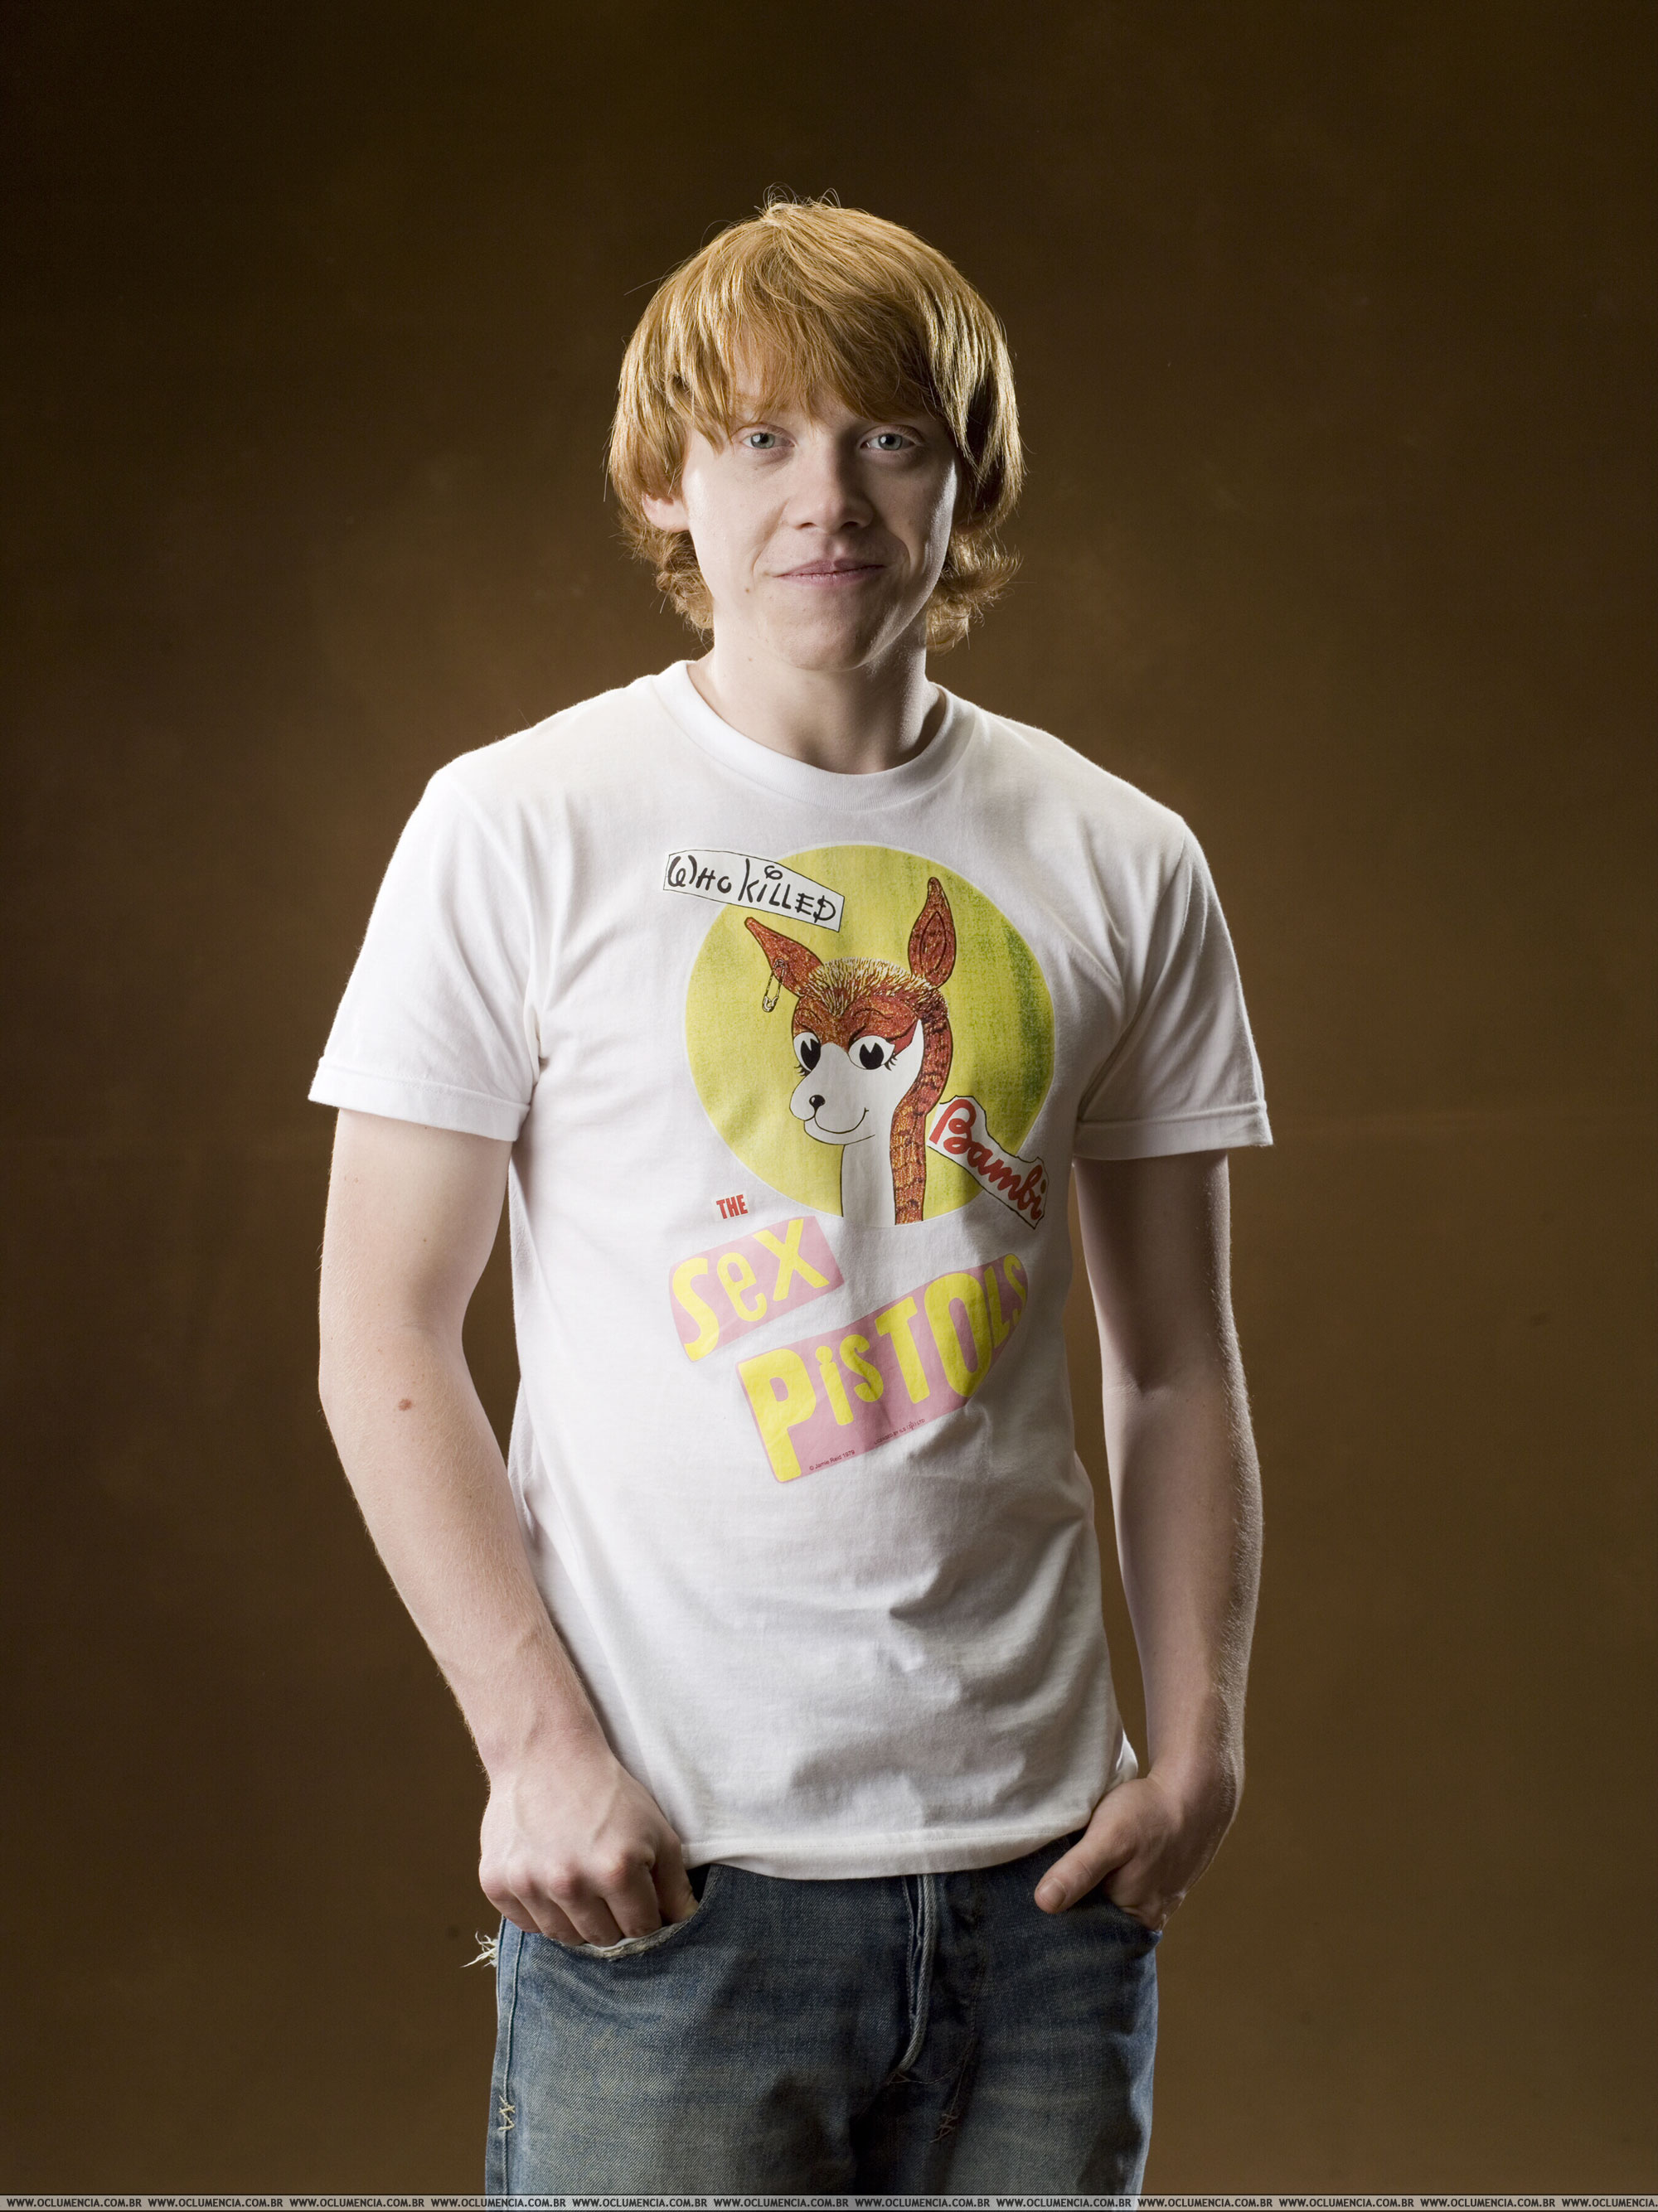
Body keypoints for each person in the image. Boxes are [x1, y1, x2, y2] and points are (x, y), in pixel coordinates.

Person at [313, 196, 1268, 2196]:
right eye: (759, 438)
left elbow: (1176, 1362)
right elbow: (380, 1328)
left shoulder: (1122, 858)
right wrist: (534, 1749)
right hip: (673, 1882)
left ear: (963, 477)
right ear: (670, 480)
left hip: (1045, 1897)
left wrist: (1197, 1753)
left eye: (886, 439)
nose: (824, 497)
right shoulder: (516, 826)